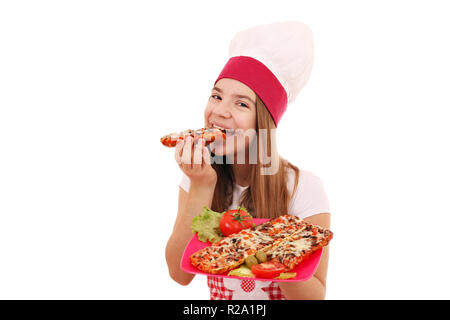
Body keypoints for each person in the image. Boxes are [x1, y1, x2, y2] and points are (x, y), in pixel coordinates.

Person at [165, 21, 331, 300]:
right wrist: (202, 186)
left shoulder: (304, 187)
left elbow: (314, 297)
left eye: (241, 103)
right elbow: (179, 274)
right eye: (216, 96)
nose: (220, 111)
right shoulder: (196, 175)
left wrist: (276, 242)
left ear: (263, 123)